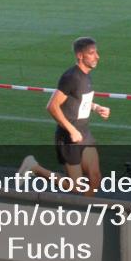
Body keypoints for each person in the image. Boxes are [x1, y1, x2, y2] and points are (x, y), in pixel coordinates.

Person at [19, 37, 110, 196]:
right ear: (80, 56)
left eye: (96, 52)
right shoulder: (71, 77)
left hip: (84, 133)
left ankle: (86, 215)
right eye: (92, 53)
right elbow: (52, 106)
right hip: (69, 137)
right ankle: (34, 167)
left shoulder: (86, 75)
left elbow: (79, 99)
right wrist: (72, 130)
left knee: (95, 179)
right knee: (76, 186)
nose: (97, 56)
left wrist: (96, 107)